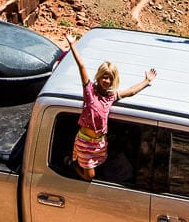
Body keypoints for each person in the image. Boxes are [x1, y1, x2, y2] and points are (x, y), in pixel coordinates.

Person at [66, 34, 156, 181]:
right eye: (104, 76)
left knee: (100, 167)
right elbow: (81, 65)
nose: (106, 80)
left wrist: (147, 80)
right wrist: (72, 45)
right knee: (90, 176)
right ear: (99, 76)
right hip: (85, 142)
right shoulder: (89, 90)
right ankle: (71, 163)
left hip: (100, 143)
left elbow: (131, 91)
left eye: (110, 78)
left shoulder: (110, 97)